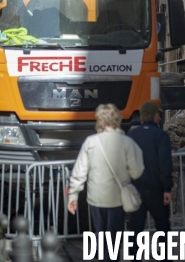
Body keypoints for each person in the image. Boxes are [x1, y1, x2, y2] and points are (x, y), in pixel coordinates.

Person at [67, 104, 144, 262]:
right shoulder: (126, 142)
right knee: (114, 237)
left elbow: (79, 171)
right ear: (118, 119)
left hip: (96, 197)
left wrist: (73, 196)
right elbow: (137, 171)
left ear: (99, 121)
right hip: (117, 197)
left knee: (101, 235)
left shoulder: (90, 142)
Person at [128, 101, 173, 259]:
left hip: (136, 189)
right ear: (155, 116)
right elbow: (165, 163)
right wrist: (167, 188)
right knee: (162, 226)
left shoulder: (131, 135)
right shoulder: (161, 136)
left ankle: (134, 256)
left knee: (135, 228)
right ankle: (164, 255)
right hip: (156, 189)